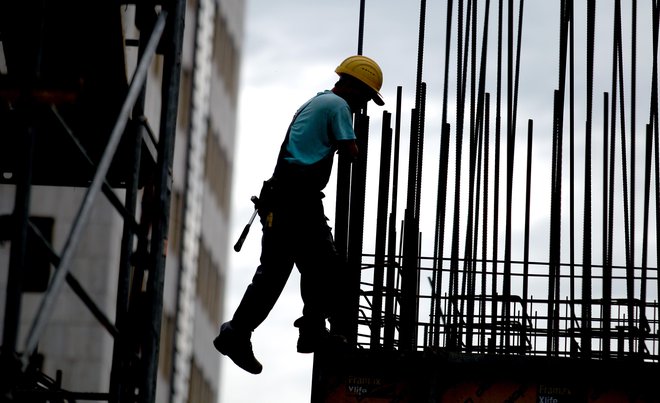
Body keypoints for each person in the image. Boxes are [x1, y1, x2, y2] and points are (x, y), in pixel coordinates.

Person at [213, 55, 384, 374]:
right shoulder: (337, 106)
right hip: (297, 200)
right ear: (354, 86)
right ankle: (312, 331)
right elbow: (350, 152)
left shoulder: (317, 103)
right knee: (326, 266)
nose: (364, 106)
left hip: (283, 199)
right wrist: (350, 141)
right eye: (365, 97)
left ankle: (239, 333)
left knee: (279, 273)